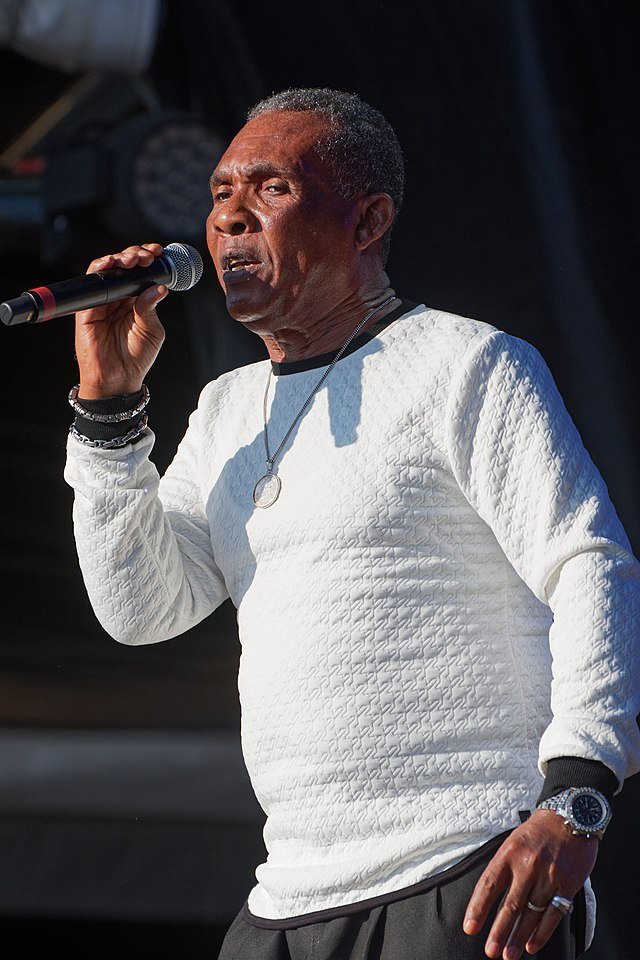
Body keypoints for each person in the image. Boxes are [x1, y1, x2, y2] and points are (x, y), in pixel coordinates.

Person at [63, 88, 640, 960]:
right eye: (221, 193)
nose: (230, 218)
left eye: (272, 189)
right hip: (292, 892)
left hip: (466, 868)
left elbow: (589, 564)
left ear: (367, 221)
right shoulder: (226, 409)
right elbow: (142, 611)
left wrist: (577, 796)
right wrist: (109, 412)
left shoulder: (466, 363)